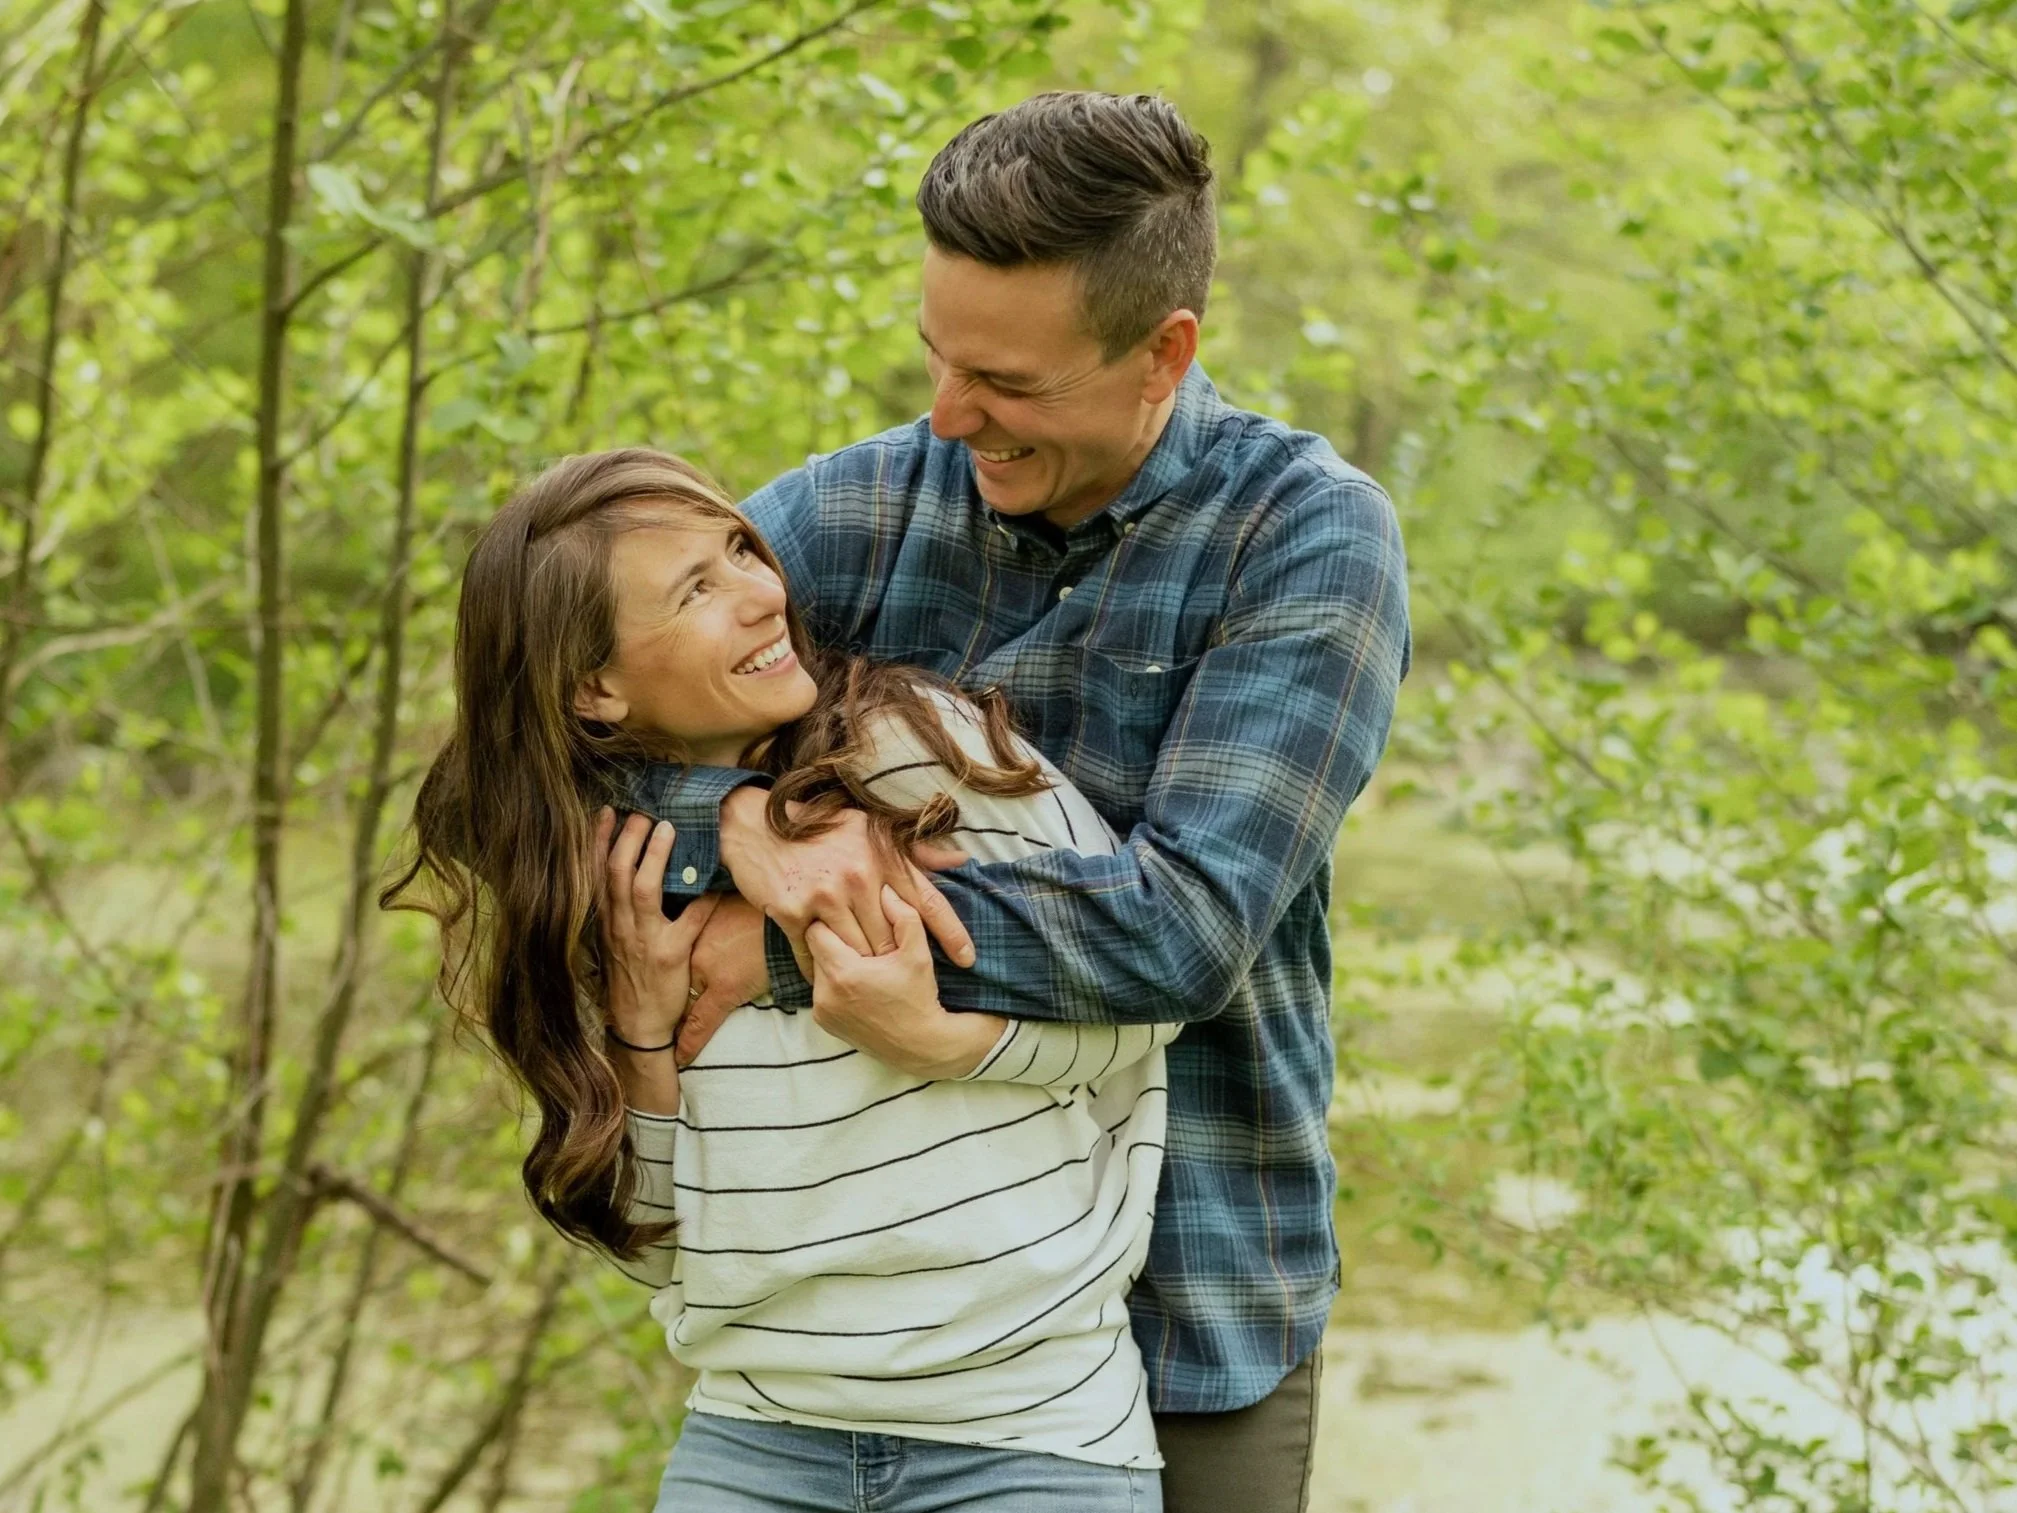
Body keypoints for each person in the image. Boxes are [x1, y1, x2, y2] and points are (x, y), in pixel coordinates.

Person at [637, 91, 1411, 1513]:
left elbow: (1180, 926)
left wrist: (792, 942)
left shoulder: (1302, 537)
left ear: (1162, 353)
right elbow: (566, 742)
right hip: (866, 1327)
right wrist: (731, 821)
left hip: (1191, 1291)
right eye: (938, 356)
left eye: (1006, 380)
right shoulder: (852, 511)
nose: (947, 414)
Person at [386, 449, 1181, 1511]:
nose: (764, 592)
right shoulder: (612, 880)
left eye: (740, 554)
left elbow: (1140, 1004)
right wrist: (641, 1038)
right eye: (696, 590)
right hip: (755, 1444)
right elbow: (651, 1242)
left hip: (1029, 1433)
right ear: (594, 686)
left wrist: (947, 1036)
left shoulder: (924, 753)